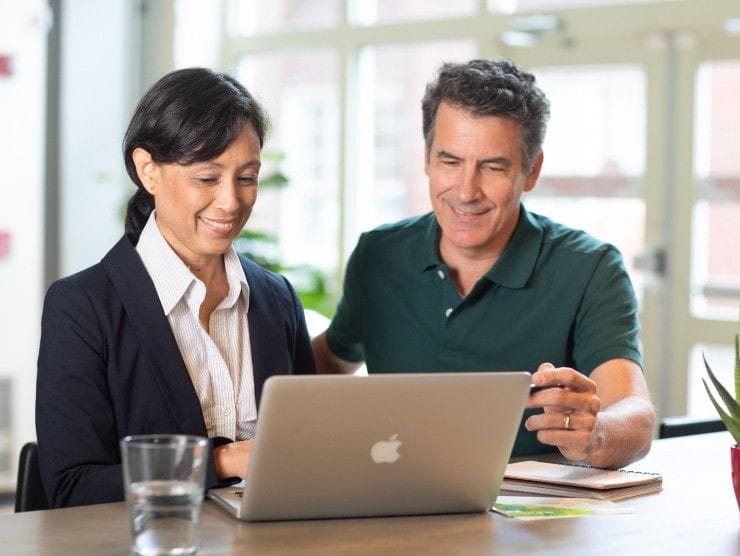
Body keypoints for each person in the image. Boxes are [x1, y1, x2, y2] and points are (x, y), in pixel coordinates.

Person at [313, 59, 655, 469]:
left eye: (493, 166)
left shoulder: (590, 268)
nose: (467, 191)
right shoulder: (378, 254)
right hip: (395, 499)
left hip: (527, 521)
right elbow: (332, 359)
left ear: (532, 171)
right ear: (426, 159)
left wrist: (595, 433)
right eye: (450, 162)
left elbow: (634, 416)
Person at [36, 68, 316, 508]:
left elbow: (309, 453)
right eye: (207, 179)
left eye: (247, 178)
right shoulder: (82, 307)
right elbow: (73, 486)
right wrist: (223, 462)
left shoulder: (277, 298)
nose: (231, 201)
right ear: (148, 170)